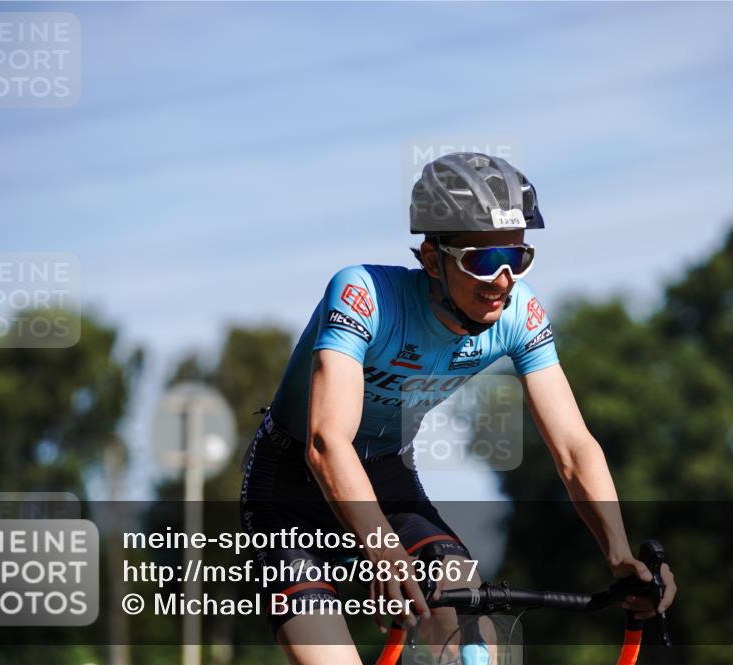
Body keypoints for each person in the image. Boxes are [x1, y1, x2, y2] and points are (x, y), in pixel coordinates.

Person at [240, 152, 677, 665]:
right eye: (484, 261)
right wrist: (383, 548)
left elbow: (574, 448)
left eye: (517, 258)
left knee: (469, 624)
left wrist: (618, 553)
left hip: (387, 475)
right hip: (288, 490)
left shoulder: (518, 314)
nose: (504, 280)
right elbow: (325, 443)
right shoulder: (364, 295)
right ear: (432, 259)